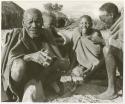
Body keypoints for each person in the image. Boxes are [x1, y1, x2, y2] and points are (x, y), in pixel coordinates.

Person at [1, 8, 69, 102]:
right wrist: (30, 57)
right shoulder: (16, 35)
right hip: (21, 77)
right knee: (19, 65)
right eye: (30, 22)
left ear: (42, 23)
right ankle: (17, 92)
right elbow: (10, 62)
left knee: (61, 64)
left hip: (39, 75)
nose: (34, 26)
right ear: (23, 23)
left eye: (37, 22)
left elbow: (59, 58)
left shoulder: (46, 34)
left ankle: (36, 85)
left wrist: (51, 58)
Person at [58, 15, 105, 84]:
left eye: (87, 23)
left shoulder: (96, 33)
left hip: (95, 63)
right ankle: (84, 71)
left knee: (99, 71)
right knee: (77, 71)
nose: (84, 25)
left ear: (91, 24)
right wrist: (71, 67)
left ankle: (90, 72)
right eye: (81, 23)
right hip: (80, 63)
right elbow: (73, 51)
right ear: (79, 24)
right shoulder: (77, 33)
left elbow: (99, 52)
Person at [95, 3, 123, 100]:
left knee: (107, 50)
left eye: (103, 18)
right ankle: (114, 81)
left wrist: (103, 41)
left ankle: (112, 90)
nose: (102, 22)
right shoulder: (118, 24)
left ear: (111, 15)